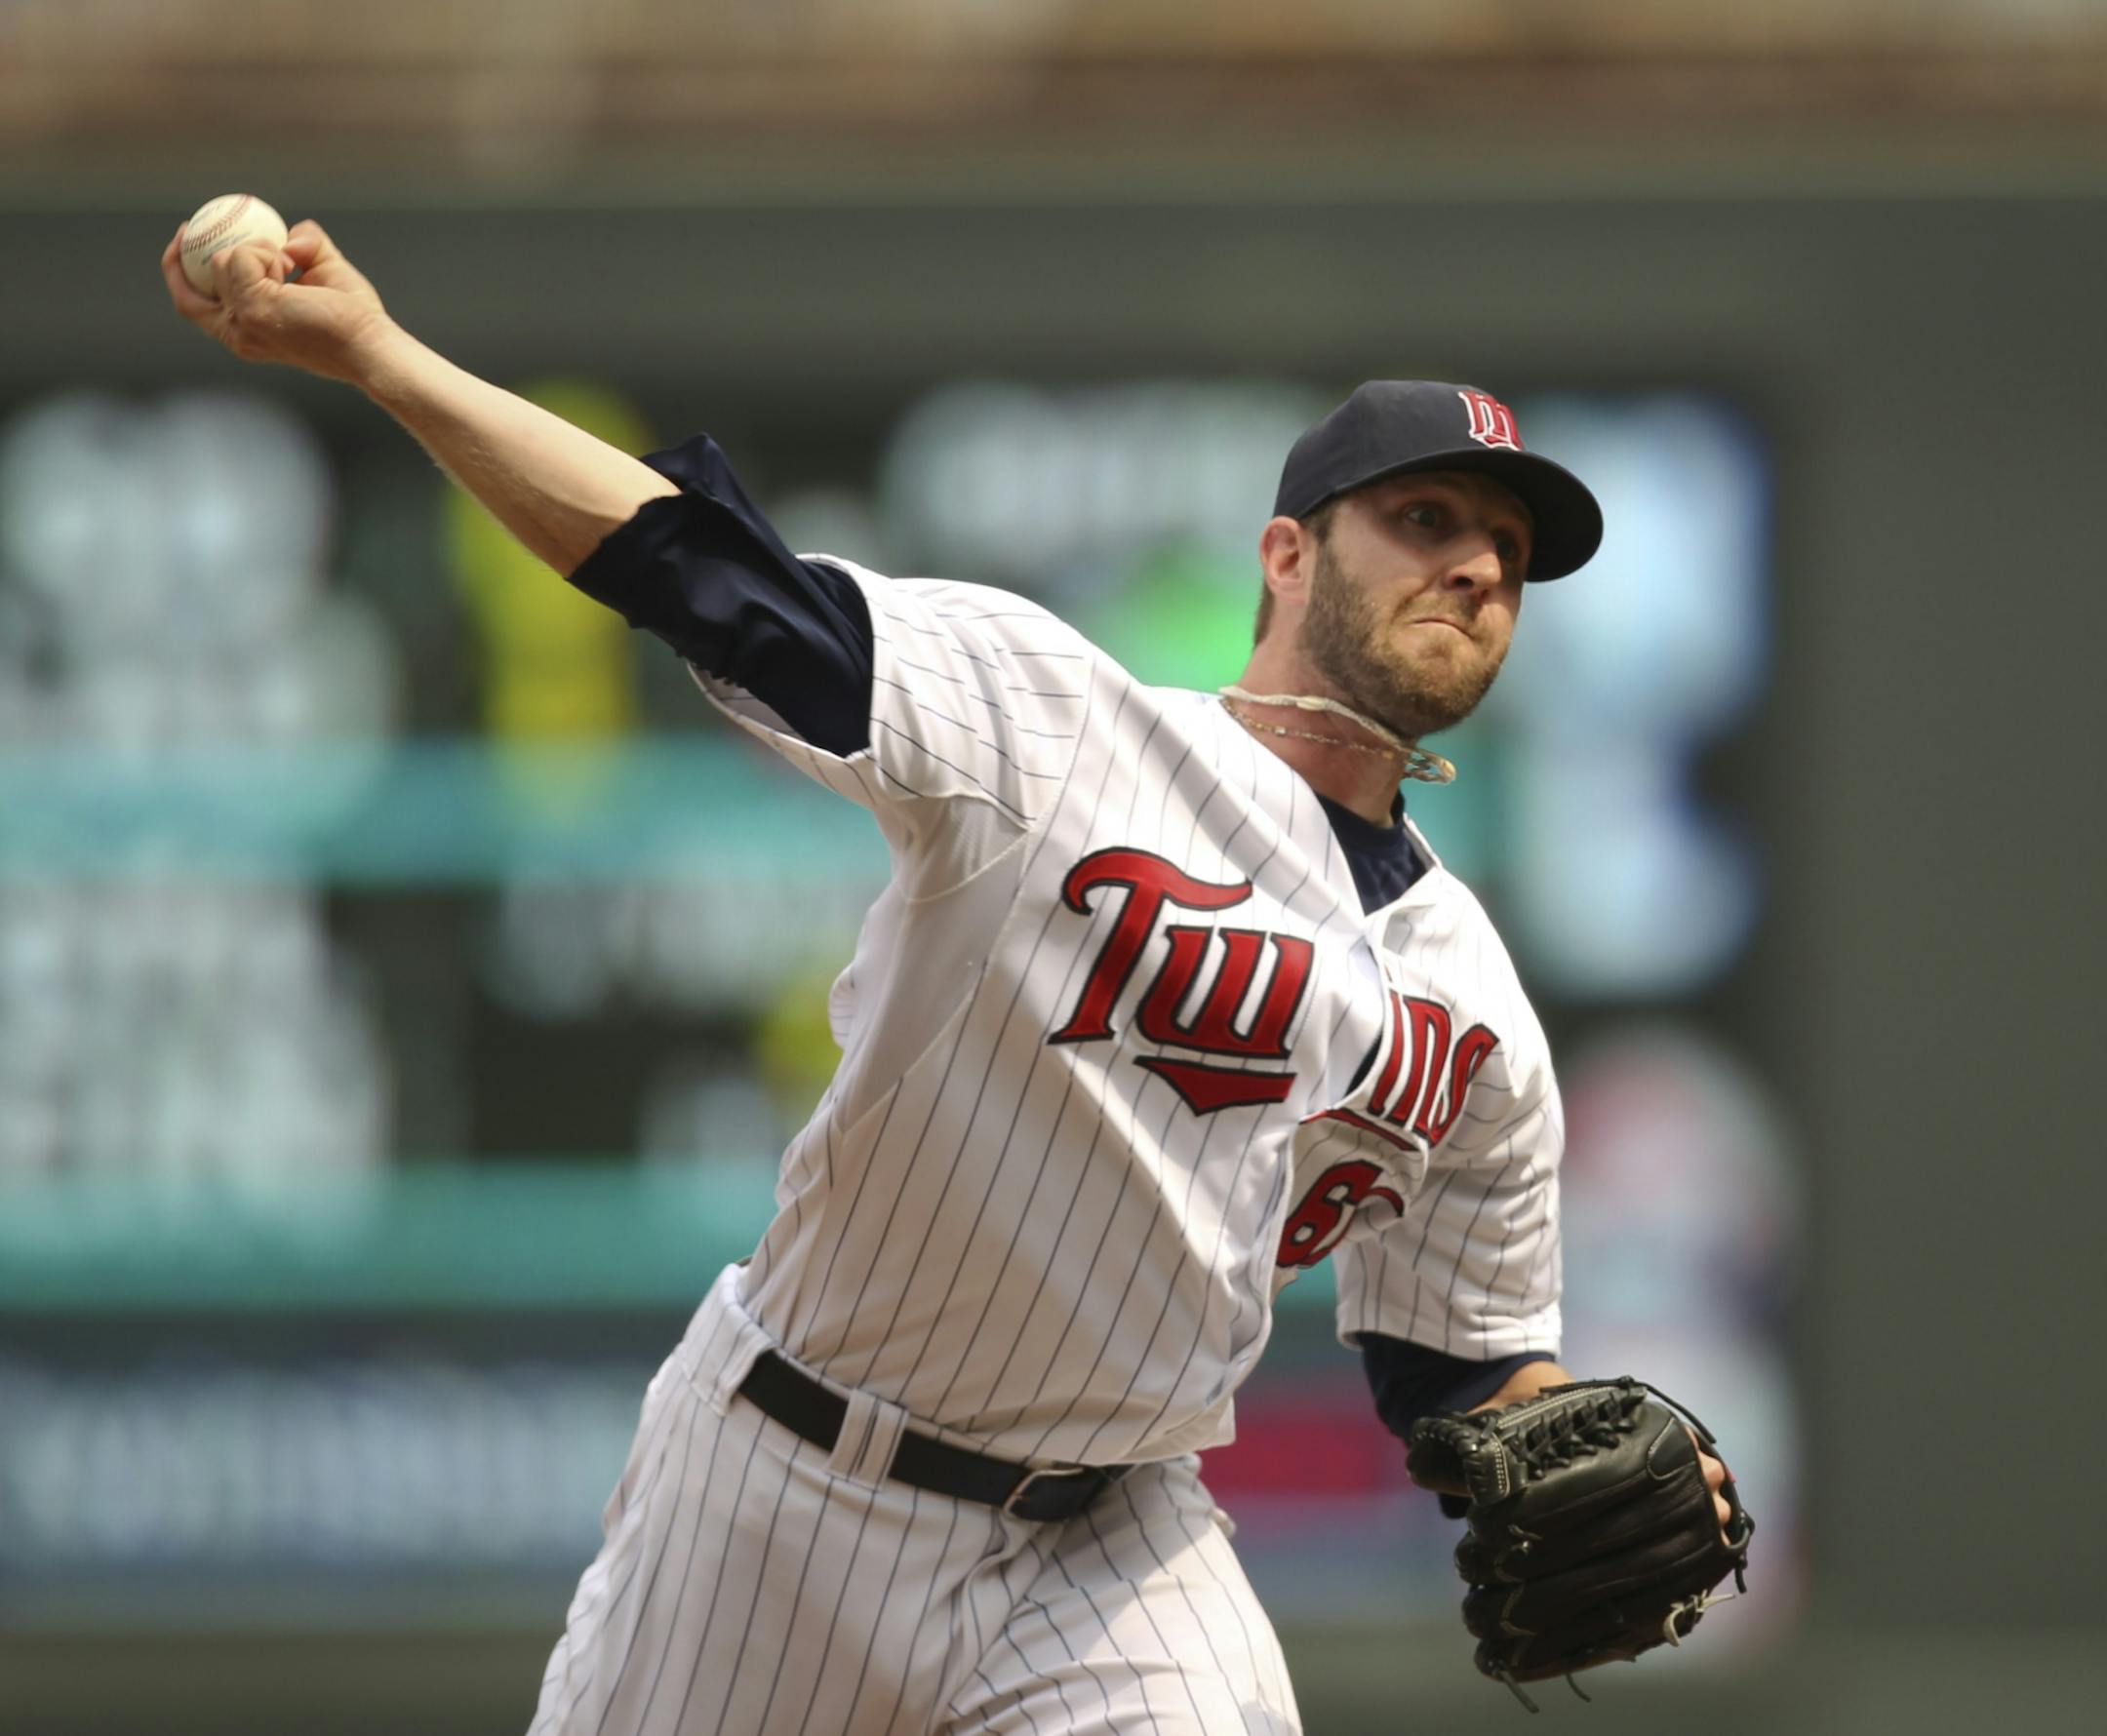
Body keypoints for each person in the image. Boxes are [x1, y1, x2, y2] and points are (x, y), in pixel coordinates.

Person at [163, 220, 1737, 1735]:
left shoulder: (1477, 1013)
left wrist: (1562, 1427)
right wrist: (378, 354)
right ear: (1285, 553)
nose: (1474, 568)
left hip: (1113, 1547)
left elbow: (1453, 1362)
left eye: (1510, 554)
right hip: (791, 1490)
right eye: (1427, 520)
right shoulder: (1061, 729)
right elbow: (695, 569)